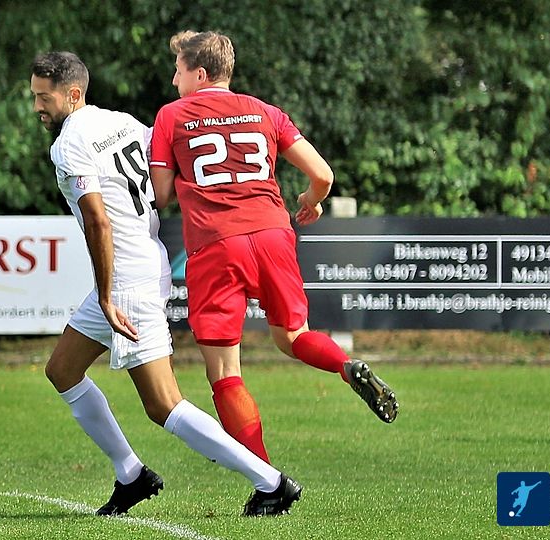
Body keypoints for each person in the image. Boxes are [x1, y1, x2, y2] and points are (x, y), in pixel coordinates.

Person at [31, 51, 302, 518]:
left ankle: (271, 482)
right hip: (143, 261)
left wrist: (106, 294)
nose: (37, 106)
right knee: (62, 370)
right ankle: (130, 474)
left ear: (73, 94)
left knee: (163, 404)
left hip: (126, 280)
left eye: (44, 97)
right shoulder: (122, 122)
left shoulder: (69, 143)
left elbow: (98, 221)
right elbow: (170, 169)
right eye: (34, 96)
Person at [149, 30, 400, 463]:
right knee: (293, 336)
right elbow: (323, 175)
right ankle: (345, 366)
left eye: (178, 71)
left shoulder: (171, 116)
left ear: (200, 74)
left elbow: (162, 194)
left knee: (225, 372)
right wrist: (311, 201)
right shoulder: (265, 111)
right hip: (272, 233)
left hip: (216, 243)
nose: (174, 81)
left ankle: (266, 477)